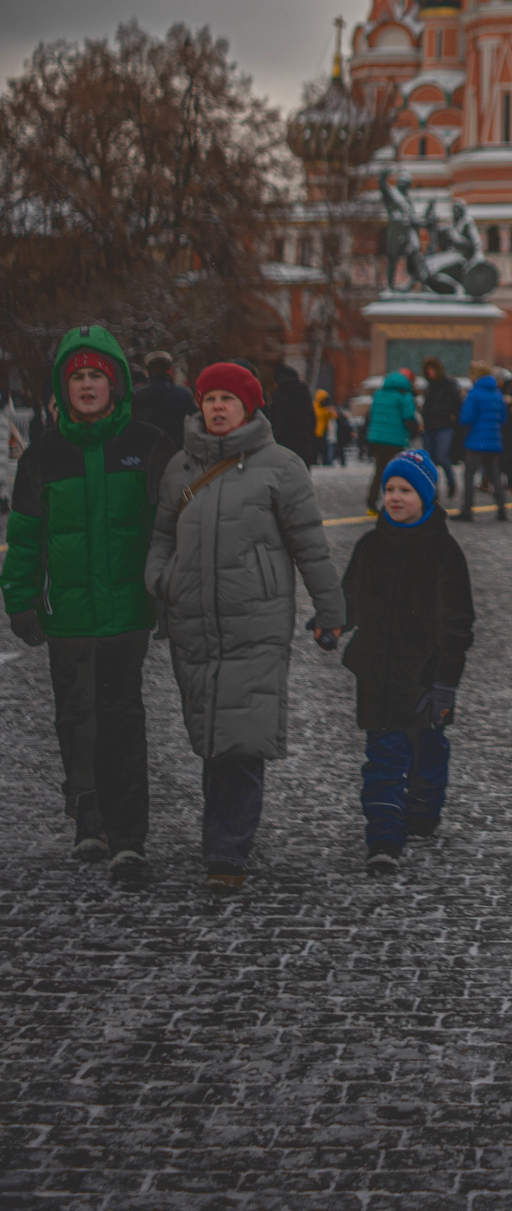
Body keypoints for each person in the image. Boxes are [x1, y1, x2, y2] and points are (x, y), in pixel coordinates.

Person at [145, 362, 345, 886]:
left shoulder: (281, 466)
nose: (217, 407)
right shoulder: (180, 467)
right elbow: (162, 535)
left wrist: (331, 610)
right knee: (213, 732)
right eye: (209, 398)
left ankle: (226, 850)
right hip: (194, 621)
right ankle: (224, 836)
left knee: (242, 735)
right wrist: (161, 579)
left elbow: (310, 546)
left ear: (249, 407)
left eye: (227, 399)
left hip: (256, 621)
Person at [1, 326, 170, 876]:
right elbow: (25, 538)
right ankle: (88, 818)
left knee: (122, 719)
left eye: (98, 375)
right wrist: (20, 599)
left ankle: (128, 834)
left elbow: (170, 528)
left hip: (127, 615)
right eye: (78, 377)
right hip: (69, 618)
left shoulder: (149, 445)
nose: (89, 385)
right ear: (63, 389)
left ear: (115, 383)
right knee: (77, 718)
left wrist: (168, 594)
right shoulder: (42, 457)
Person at [339, 449, 475, 873]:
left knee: (427, 747)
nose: (395, 497)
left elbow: (458, 623)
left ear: (426, 496)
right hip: (377, 672)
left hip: (424, 676)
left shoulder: (445, 551)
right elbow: (350, 597)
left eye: (406, 490)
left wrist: (446, 681)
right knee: (383, 755)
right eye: (390, 489)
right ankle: (384, 834)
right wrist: (333, 624)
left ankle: (423, 811)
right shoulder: (370, 545)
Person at [364, 368, 421, 515]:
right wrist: (415, 432)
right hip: (394, 440)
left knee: (379, 471)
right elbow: (408, 417)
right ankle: (394, 504)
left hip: (376, 439)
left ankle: (371, 502)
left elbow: (371, 416)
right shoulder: (404, 396)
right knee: (395, 473)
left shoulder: (378, 395)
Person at [456, 365, 508, 523]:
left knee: (469, 475)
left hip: (476, 441)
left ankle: (467, 511)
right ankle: (502, 510)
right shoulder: (497, 393)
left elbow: (465, 418)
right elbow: (503, 418)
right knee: (495, 477)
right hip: (494, 441)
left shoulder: (474, 393)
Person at [131, 350, 195, 455]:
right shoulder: (183, 393)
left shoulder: (136, 394)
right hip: (178, 451)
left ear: (147, 371)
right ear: (170, 369)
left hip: (146, 451)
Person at [420, 358, 462, 499]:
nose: (431, 373)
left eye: (433, 370)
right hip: (430, 426)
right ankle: (434, 489)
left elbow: (457, 403)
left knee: (442, 457)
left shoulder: (449, 384)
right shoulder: (430, 387)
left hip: (444, 425)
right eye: (428, 370)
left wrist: (451, 416)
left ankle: (451, 483)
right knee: (431, 460)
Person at [267, 362, 317, 467]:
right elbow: (313, 420)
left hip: (286, 446)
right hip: (304, 445)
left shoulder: (280, 395)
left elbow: (278, 423)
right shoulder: (304, 393)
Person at [313, 387, 336, 467]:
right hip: (316, 432)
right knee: (315, 449)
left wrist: (330, 411)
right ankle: (314, 461)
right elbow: (317, 413)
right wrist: (327, 411)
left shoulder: (325, 408)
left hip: (323, 432)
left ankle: (325, 462)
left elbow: (334, 415)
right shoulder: (315, 406)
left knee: (323, 449)